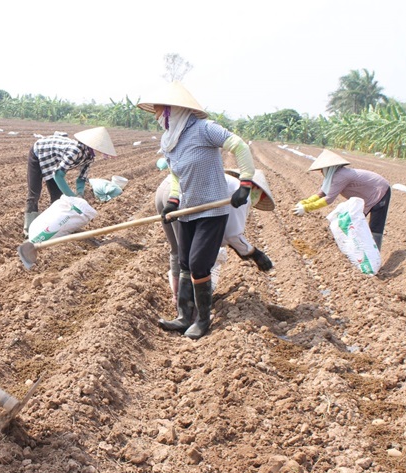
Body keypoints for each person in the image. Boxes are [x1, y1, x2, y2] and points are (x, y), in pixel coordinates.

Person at [138, 81, 256, 340]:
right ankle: (183, 317)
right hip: (188, 211)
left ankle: (203, 320)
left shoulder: (204, 129)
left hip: (212, 209)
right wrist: (173, 200)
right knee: (184, 262)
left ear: (172, 110)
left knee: (199, 264)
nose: (157, 117)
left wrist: (245, 183)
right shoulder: (170, 140)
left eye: (160, 111)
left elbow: (239, 146)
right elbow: (176, 175)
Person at [155, 160, 274, 304]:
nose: (257, 200)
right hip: (182, 194)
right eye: (260, 196)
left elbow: (227, 233)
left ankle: (178, 297)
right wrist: (254, 253)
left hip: (166, 188)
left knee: (177, 250)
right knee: (191, 255)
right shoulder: (243, 193)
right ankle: (190, 307)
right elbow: (232, 234)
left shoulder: (228, 183)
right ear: (255, 187)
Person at [24, 127, 117, 237]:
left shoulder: (89, 157)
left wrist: (80, 196)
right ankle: (28, 229)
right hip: (40, 152)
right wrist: (72, 197)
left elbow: (81, 179)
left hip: (54, 161)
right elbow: (58, 175)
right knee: (34, 194)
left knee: (57, 197)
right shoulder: (75, 151)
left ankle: (51, 228)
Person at [293, 149, 391, 250]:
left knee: (375, 226)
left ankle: (374, 257)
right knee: (351, 222)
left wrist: (306, 208)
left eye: (322, 169)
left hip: (380, 191)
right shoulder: (333, 176)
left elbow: (328, 199)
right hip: (366, 197)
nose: (321, 172)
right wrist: (304, 202)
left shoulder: (340, 176)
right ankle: (356, 250)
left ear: (328, 168)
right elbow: (321, 194)